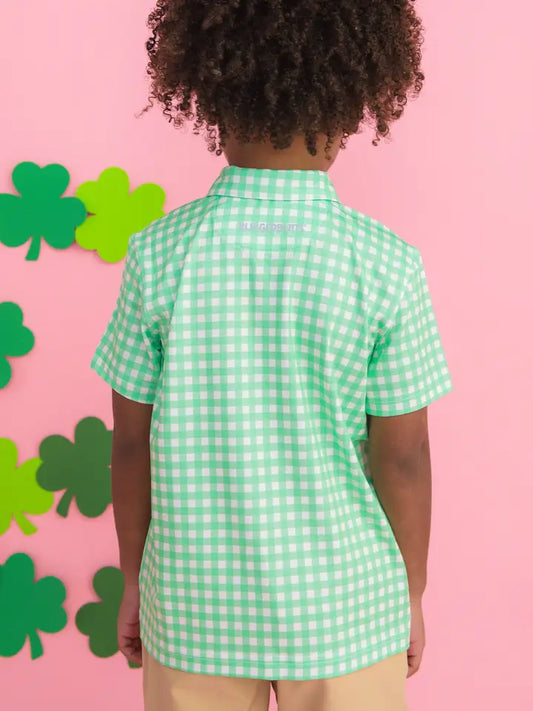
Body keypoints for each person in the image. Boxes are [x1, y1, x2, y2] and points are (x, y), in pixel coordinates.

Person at [90, 1, 453, 710]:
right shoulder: (386, 265)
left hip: (193, 607)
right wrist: (409, 593)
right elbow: (404, 458)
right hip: (347, 610)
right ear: (351, 103)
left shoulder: (158, 255)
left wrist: (134, 578)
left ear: (210, 93)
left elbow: (130, 444)